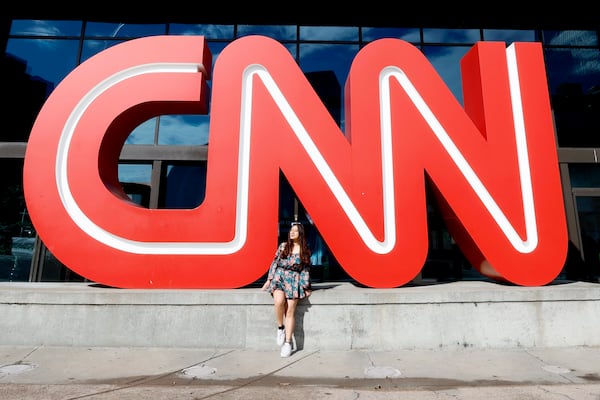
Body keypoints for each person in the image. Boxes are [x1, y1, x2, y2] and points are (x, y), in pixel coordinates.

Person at [261, 222, 312, 357]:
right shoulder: (283, 246)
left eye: (295, 231)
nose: (292, 232)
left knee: (290, 311)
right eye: (291, 230)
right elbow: (274, 263)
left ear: (300, 233)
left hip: (294, 280)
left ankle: (288, 343)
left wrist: (306, 286)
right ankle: (280, 328)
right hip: (279, 277)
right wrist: (269, 280)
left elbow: (305, 269)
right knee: (278, 302)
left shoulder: (304, 250)